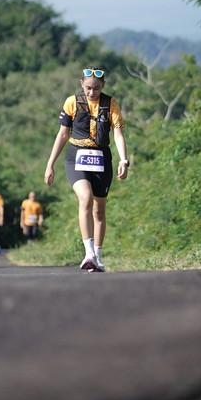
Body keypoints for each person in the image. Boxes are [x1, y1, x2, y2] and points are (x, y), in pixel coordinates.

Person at [44, 67, 129, 272]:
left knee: (99, 210)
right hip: (77, 157)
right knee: (85, 198)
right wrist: (50, 164)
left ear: (103, 86)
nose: (92, 92)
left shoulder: (111, 104)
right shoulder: (72, 102)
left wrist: (123, 160)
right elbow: (62, 135)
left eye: (97, 88)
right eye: (88, 88)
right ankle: (88, 253)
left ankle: (97, 257)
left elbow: (118, 134)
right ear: (81, 84)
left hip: (101, 158)